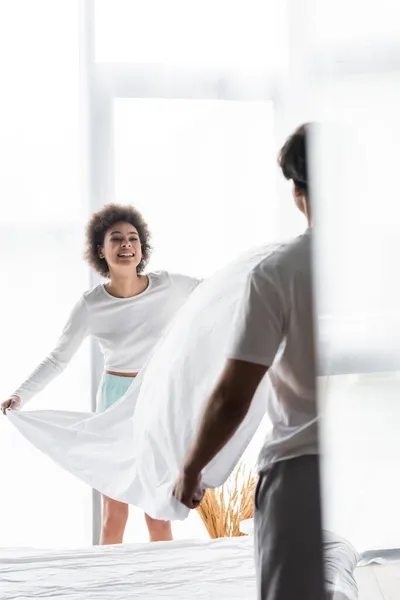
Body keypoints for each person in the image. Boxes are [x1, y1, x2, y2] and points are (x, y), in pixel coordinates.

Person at [173, 124, 326, 599]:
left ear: (298, 193)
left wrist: (192, 468)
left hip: (304, 470)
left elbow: (233, 392)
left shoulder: (279, 273)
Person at [2, 203, 201, 546]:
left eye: (133, 238)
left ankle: (165, 585)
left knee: (158, 509)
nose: (126, 244)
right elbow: (57, 359)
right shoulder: (91, 304)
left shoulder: (170, 286)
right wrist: (20, 395)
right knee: (114, 512)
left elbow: (216, 293)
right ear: (101, 250)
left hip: (156, 397)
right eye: (117, 238)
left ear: (142, 247)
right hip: (114, 401)